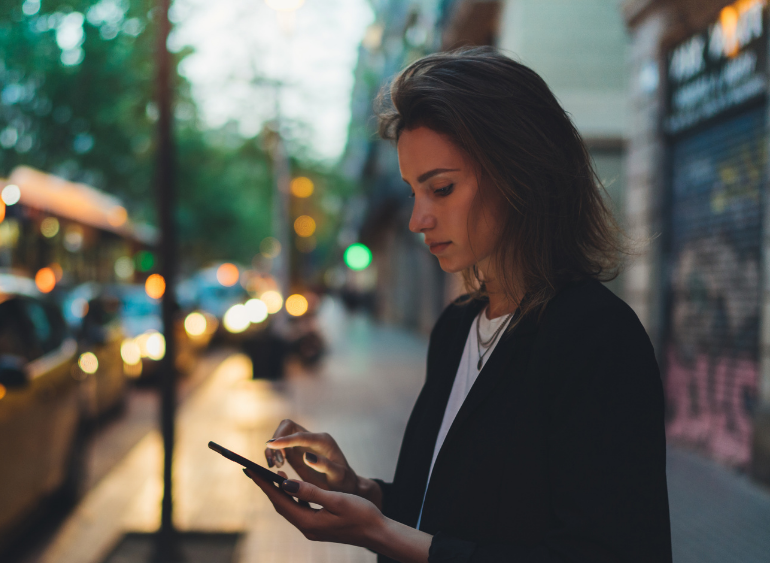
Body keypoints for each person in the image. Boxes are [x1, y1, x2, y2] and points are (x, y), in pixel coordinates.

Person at [243, 47, 672, 563]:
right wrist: (361, 490)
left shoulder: (595, 335)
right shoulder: (456, 327)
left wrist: (381, 535)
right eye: (412, 192)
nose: (417, 219)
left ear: (521, 176)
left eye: (441, 189)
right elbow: (440, 510)